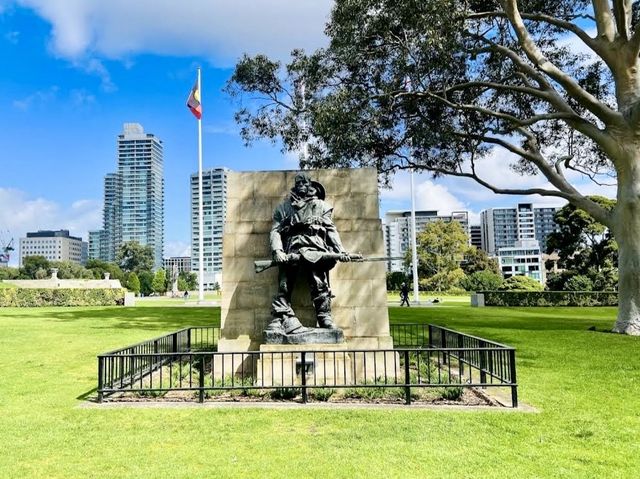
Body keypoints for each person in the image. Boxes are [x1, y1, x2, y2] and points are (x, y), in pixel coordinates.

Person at [268, 172, 350, 334]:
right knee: (284, 285)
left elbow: (330, 229)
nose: (301, 186)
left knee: (319, 284)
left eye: (305, 183)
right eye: (298, 183)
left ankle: (324, 316)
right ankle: (279, 317)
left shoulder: (321, 206)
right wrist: (278, 250)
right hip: (291, 251)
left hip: (315, 251)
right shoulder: (283, 208)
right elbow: (275, 231)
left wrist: (340, 250)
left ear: (311, 187)